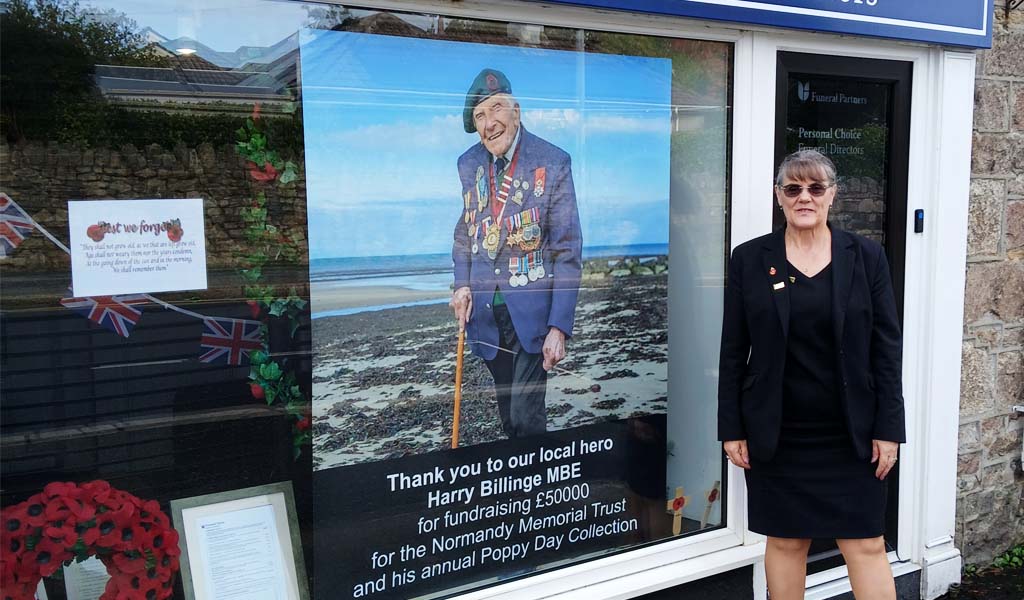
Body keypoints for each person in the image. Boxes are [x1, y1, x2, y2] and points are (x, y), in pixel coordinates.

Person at [718, 149, 905, 599]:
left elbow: (887, 350)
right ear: (779, 196)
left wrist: (889, 429)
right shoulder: (749, 259)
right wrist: (731, 427)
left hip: (852, 432)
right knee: (785, 541)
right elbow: (732, 349)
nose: (805, 197)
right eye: (793, 188)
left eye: (816, 188)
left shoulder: (866, 256)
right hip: (778, 432)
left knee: (866, 543)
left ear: (832, 195)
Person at [449, 68, 583, 438]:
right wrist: (461, 284)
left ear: (516, 111)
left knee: (526, 418)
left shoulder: (552, 161)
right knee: (509, 418)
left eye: (496, 109)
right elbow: (465, 232)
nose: (489, 124)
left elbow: (568, 249)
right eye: (480, 116)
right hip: (486, 315)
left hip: (533, 315)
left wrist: (559, 327)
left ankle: (535, 472)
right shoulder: (469, 164)